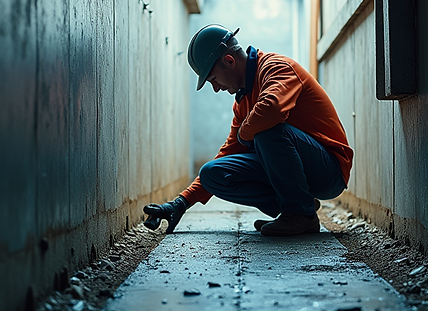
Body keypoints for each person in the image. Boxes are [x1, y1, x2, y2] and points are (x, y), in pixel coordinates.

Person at [144, 24, 354, 236]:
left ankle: (300, 213)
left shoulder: (276, 67)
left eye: (214, 80)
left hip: (328, 171)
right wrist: (181, 202)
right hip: (298, 169)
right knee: (212, 173)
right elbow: (228, 152)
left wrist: (245, 134)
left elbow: (272, 108)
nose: (215, 89)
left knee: (265, 130)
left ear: (229, 61)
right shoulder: (242, 102)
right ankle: (294, 210)